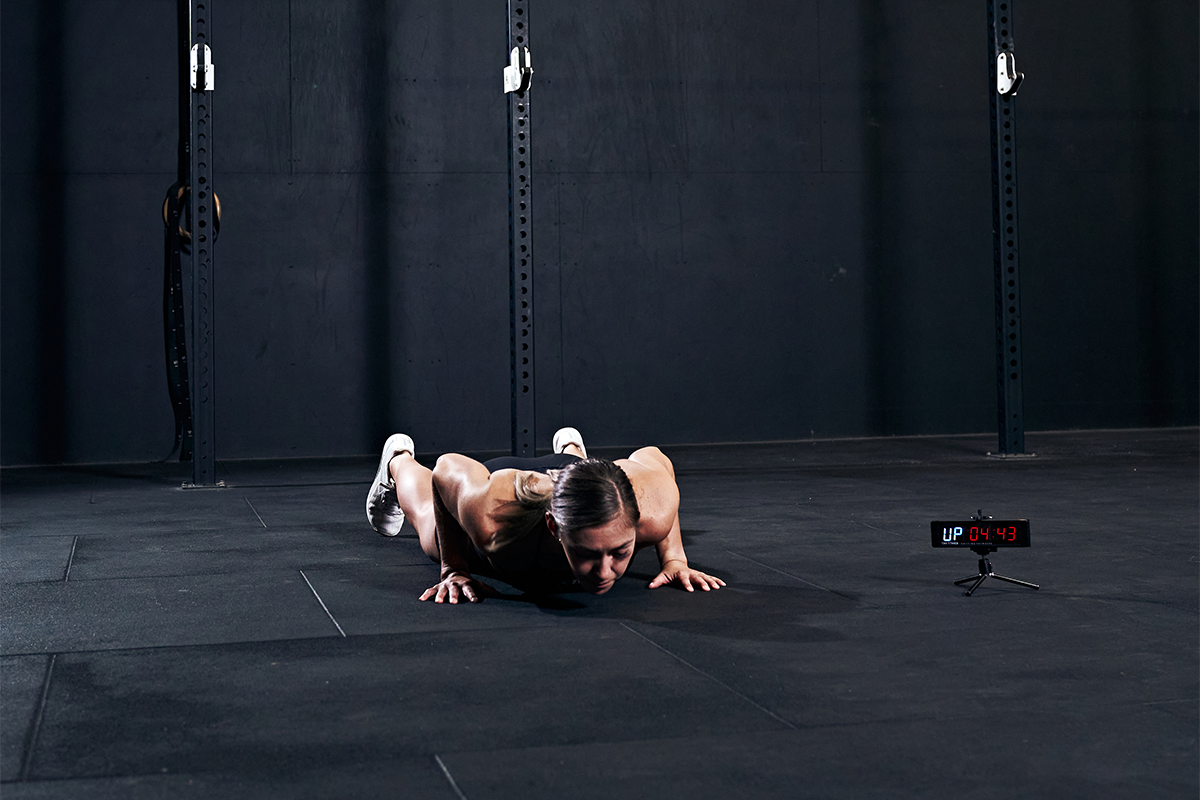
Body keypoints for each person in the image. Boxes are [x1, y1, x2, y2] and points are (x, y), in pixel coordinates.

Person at [365, 427, 725, 603]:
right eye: (586, 553)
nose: (605, 572)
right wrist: (454, 569)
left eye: (619, 553)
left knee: (593, 481)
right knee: (431, 528)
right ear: (554, 527)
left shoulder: (654, 510)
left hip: (577, 475)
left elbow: (654, 457)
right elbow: (446, 469)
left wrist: (675, 558)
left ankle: (574, 454)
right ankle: (398, 459)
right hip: (506, 487)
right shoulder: (495, 521)